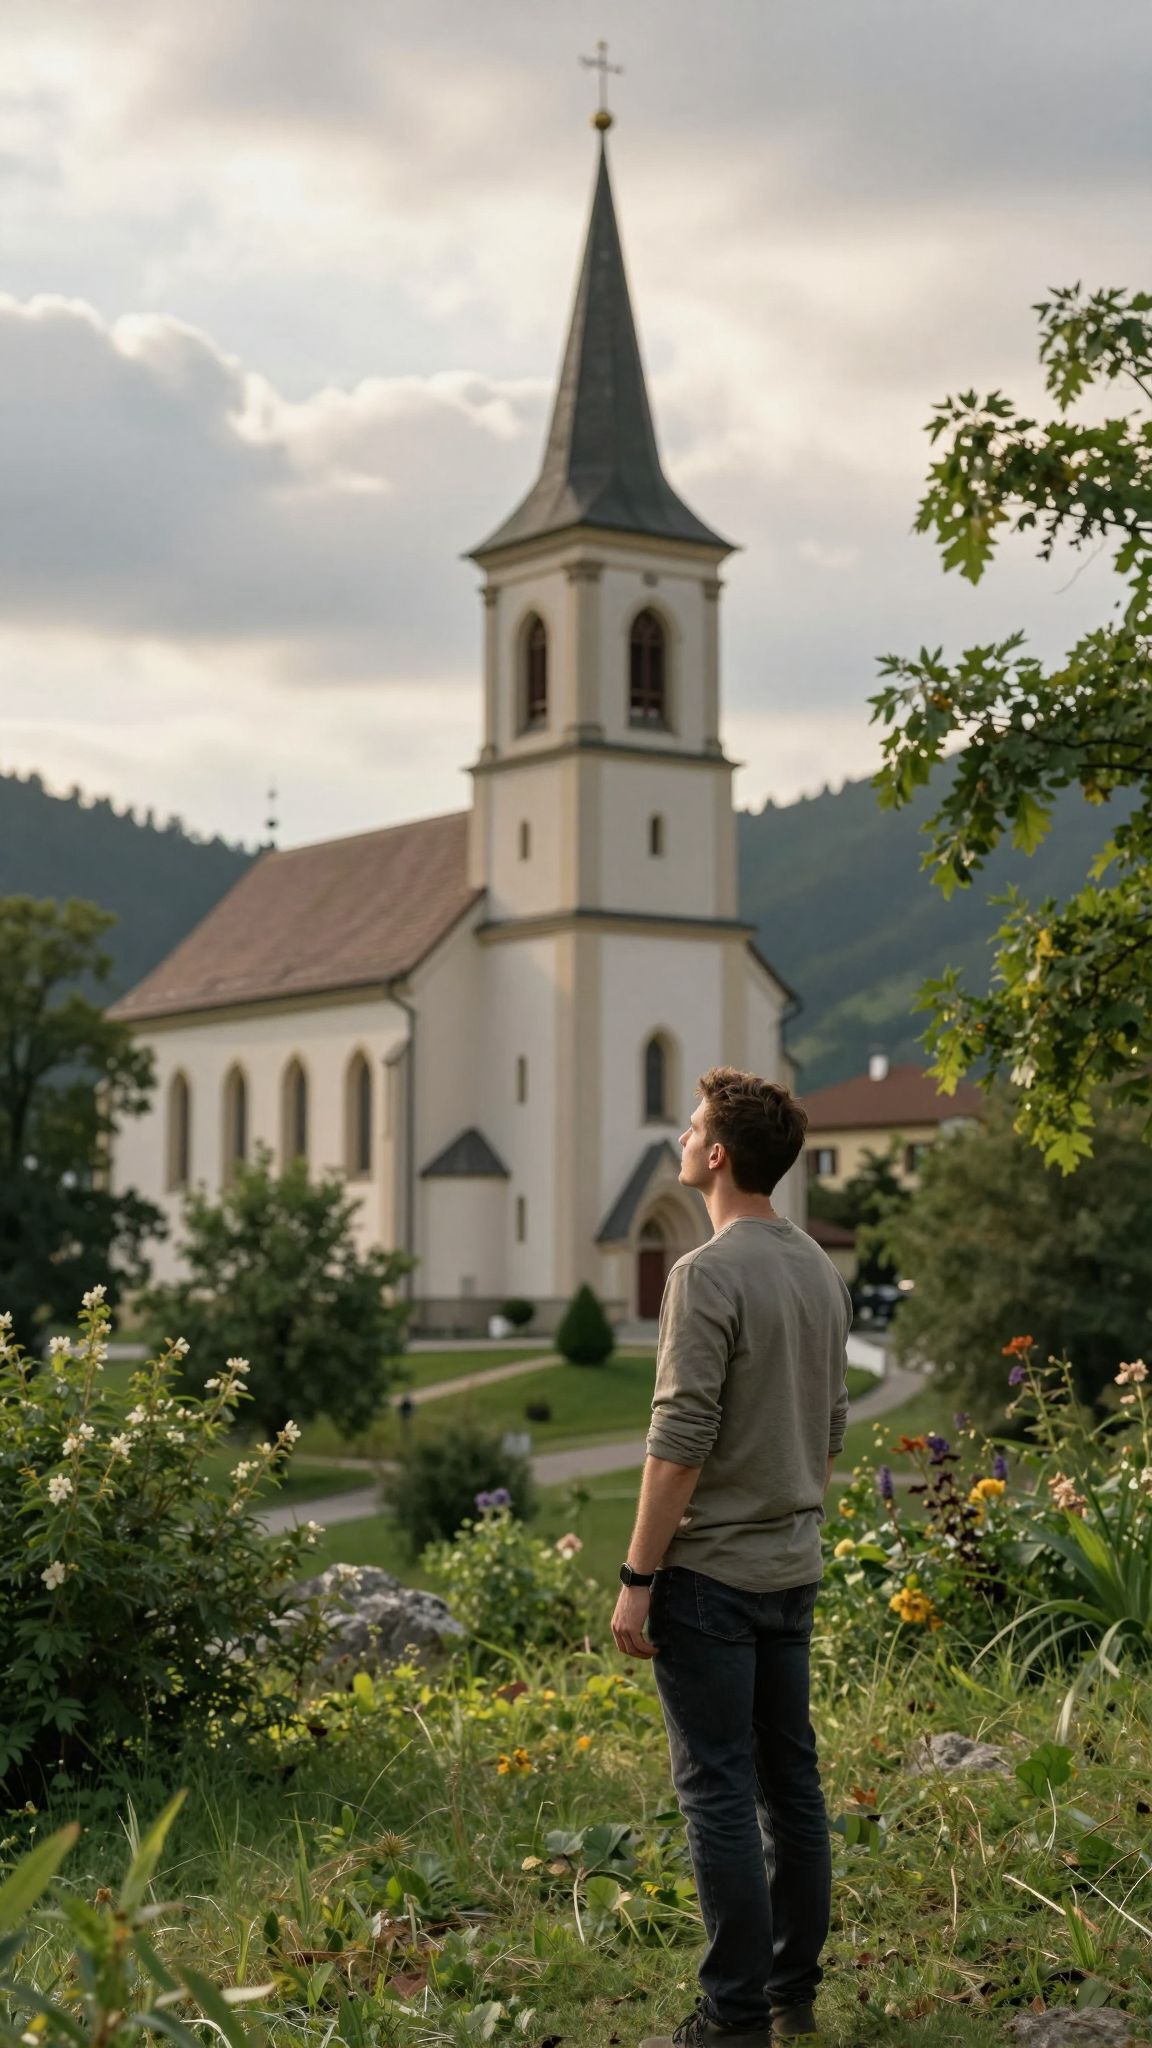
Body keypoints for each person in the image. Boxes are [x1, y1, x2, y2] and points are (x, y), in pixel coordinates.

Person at [611, 1066, 851, 2048]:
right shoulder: (817, 1270)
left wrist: (636, 1578)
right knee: (790, 1782)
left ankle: (730, 2018)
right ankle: (791, 1992)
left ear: (717, 1155)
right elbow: (829, 1431)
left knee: (715, 1786)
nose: (680, 1134)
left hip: (708, 1579)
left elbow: (679, 1444)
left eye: (693, 1125)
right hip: (792, 1567)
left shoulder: (704, 1273)